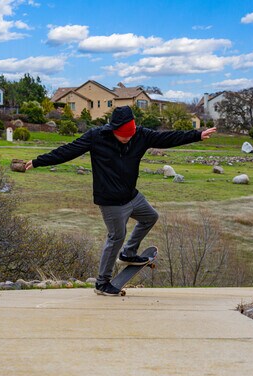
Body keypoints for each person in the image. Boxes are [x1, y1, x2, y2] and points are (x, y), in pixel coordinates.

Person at [25, 106, 216, 296]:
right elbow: (67, 151)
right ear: (113, 129)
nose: (127, 138)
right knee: (116, 236)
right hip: (110, 201)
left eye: (129, 134)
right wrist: (38, 161)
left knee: (150, 217)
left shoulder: (141, 135)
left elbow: (167, 138)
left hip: (131, 195)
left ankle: (128, 254)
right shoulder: (96, 136)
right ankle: (102, 282)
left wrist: (196, 135)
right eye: (122, 135)